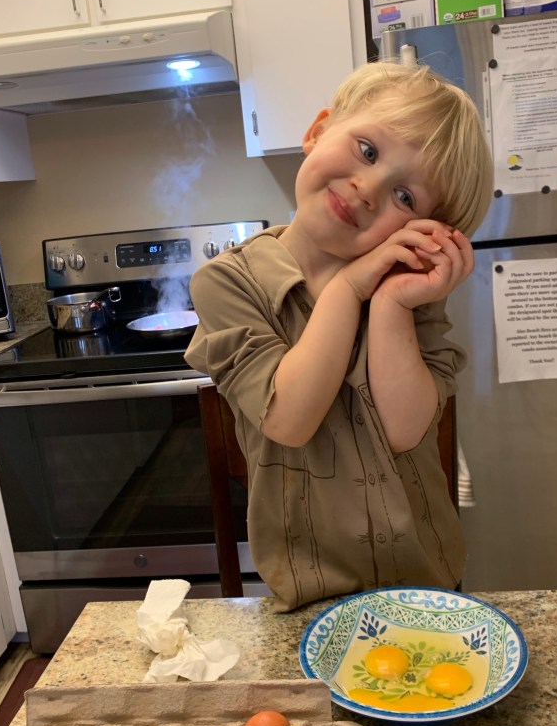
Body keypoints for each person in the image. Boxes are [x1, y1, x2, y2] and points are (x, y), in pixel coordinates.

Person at [185, 61, 493, 611]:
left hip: (426, 589)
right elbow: (289, 417)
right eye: (368, 150)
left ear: (424, 233)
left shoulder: (408, 294)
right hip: (308, 596)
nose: (367, 189)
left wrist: (391, 305)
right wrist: (349, 288)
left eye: (406, 197)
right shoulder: (228, 282)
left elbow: (405, 430)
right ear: (318, 130)